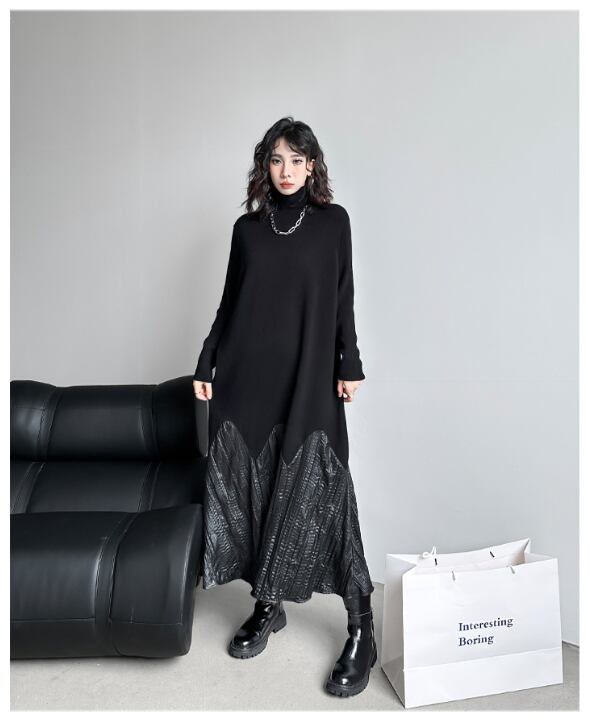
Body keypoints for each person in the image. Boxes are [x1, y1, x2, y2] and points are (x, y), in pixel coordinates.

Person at [193, 116, 376, 697]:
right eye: (277, 160)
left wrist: (349, 362)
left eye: (297, 160)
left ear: (312, 165)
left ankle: (362, 625)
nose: (287, 171)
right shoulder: (247, 230)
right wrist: (207, 358)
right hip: (248, 376)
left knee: (324, 488)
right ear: (264, 166)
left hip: (307, 379)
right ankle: (268, 604)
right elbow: (230, 301)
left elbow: (343, 297)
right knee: (257, 485)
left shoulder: (333, 223)